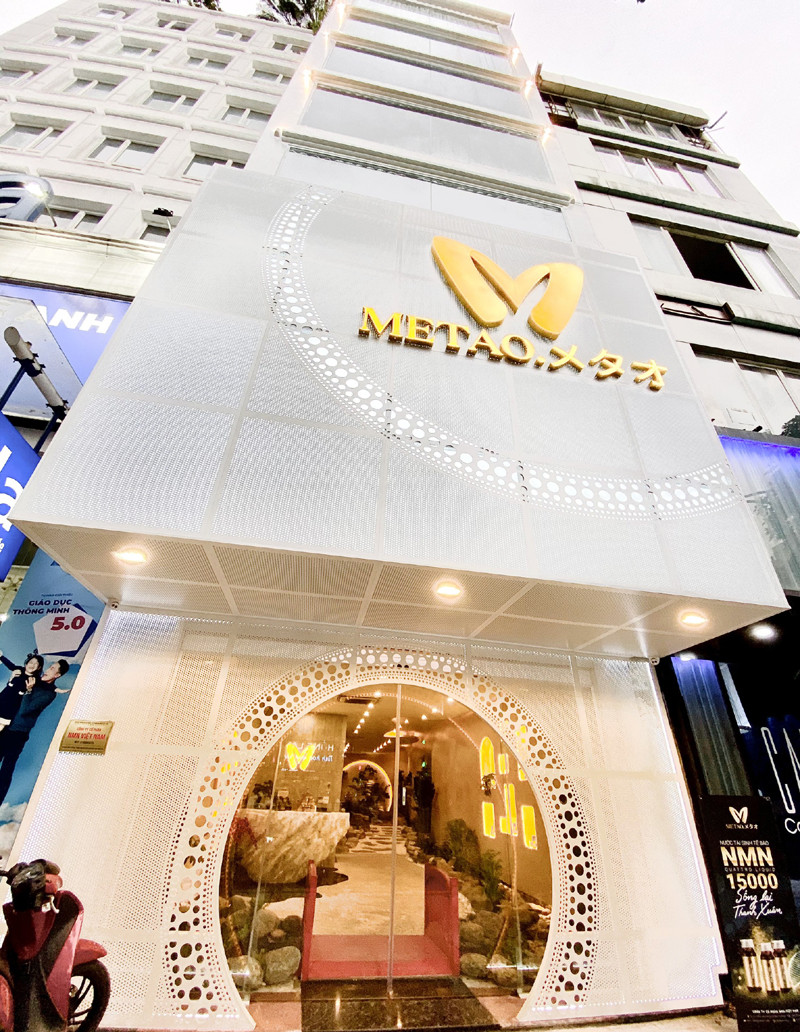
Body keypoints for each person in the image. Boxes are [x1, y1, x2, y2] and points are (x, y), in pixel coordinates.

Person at [0, 659, 70, 805]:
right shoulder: (36, 681)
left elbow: (25, 710)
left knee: (7, 768)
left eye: (52, 669)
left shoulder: (48, 695)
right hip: (7, 727)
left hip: (18, 734)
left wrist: (28, 691)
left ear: (57, 675)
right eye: (49, 667)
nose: (47, 670)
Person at [0, 652, 44, 731]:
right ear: (26, 663)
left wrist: (56, 689)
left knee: (2, 723)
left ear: (39, 667)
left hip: (12, 706)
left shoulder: (35, 680)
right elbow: (10, 665)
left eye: (36, 664)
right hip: (3, 697)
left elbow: (46, 685)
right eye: (31, 662)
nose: (32, 665)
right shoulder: (19, 670)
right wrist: (1, 657)